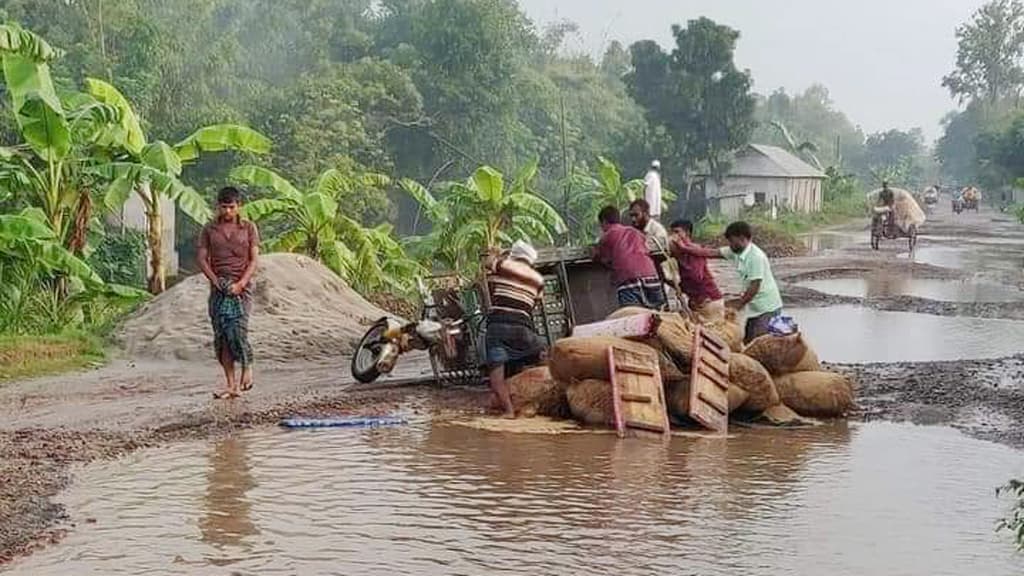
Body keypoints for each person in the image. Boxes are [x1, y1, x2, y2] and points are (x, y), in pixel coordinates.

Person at [671, 221, 783, 343]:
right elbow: (709, 252)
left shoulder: (756, 257)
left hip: (767, 307)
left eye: (731, 241)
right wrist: (685, 248)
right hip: (754, 307)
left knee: (758, 342)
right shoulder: (736, 251)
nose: (730, 245)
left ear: (742, 238)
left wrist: (738, 305)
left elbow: (754, 287)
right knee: (747, 339)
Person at [197, 186, 260, 399]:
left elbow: (254, 260)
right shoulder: (209, 229)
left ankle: (247, 368)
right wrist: (215, 281)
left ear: (238, 206)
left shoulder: (248, 228)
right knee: (222, 336)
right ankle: (230, 385)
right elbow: (202, 258)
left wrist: (241, 283)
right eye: (223, 207)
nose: (227, 212)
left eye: (231, 207)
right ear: (218, 207)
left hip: (242, 289)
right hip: (219, 289)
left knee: (238, 330)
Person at [484, 240, 546, 419]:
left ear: (515, 255)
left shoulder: (506, 265)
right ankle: (541, 395)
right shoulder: (539, 280)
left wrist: (497, 253)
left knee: (496, 377)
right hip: (523, 329)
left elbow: (488, 263)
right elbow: (536, 301)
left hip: (497, 328)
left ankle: (509, 411)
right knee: (542, 352)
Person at [594, 205, 665, 309]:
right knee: (659, 314)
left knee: (632, 318)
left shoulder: (606, 237)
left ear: (604, 222)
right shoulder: (636, 232)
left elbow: (600, 257)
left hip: (629, 280)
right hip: (651, 275)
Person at [668, 219, 725, 323]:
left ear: (687, 233)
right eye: (671, 232)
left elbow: (696, 277)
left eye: (677, 232)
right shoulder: (678, 254)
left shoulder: (694, 250)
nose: (673, 236)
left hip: (709, 302)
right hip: (698, 304)